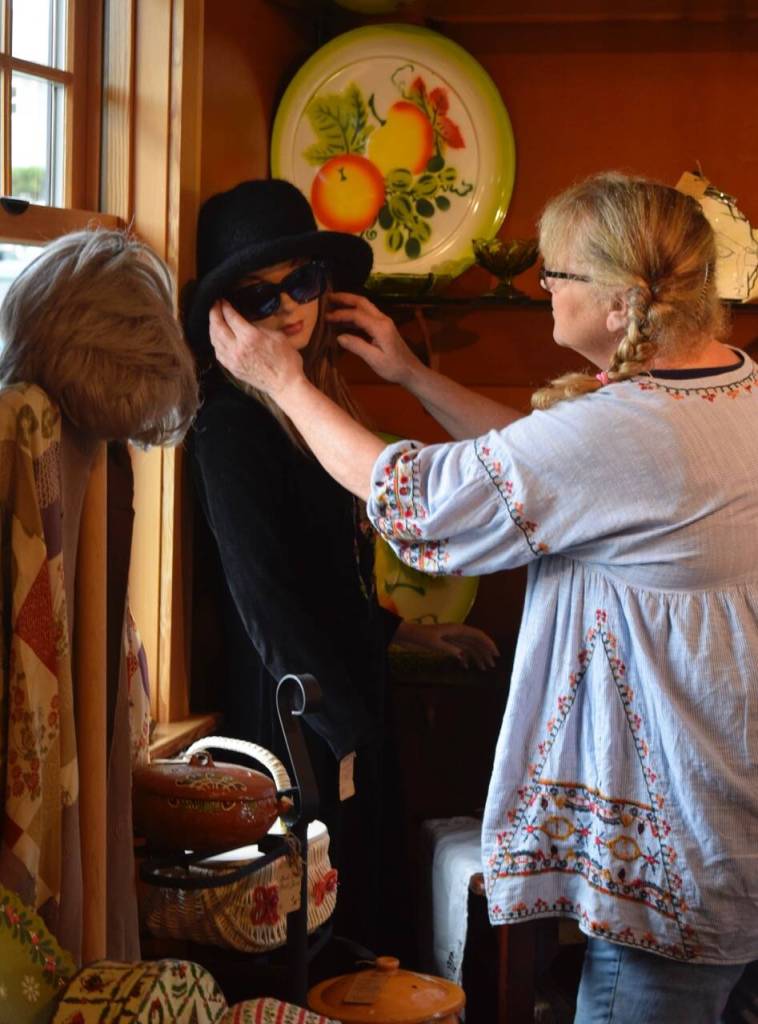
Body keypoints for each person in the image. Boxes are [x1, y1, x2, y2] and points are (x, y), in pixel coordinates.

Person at [206, 171, 758, 1023]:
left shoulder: (629, 427)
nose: (544, 288)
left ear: (621, 303)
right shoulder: (729, 383)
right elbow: (547, 463)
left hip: (669, 860)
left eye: (557, 273)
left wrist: (285, 384)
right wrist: (413, 376)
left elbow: (420, 505)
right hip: (725, 825)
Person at [182, 179, 498, 950]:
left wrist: (408, 635)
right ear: (225, 317)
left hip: (348, 700)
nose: (290, 307)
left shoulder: (310, 404)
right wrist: (336, 727)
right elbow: (265, 600)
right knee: (328, 935)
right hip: (297, 721)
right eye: (259, 297)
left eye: (303, 281)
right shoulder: (230, 426)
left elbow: (328, 578)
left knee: (372, 929)